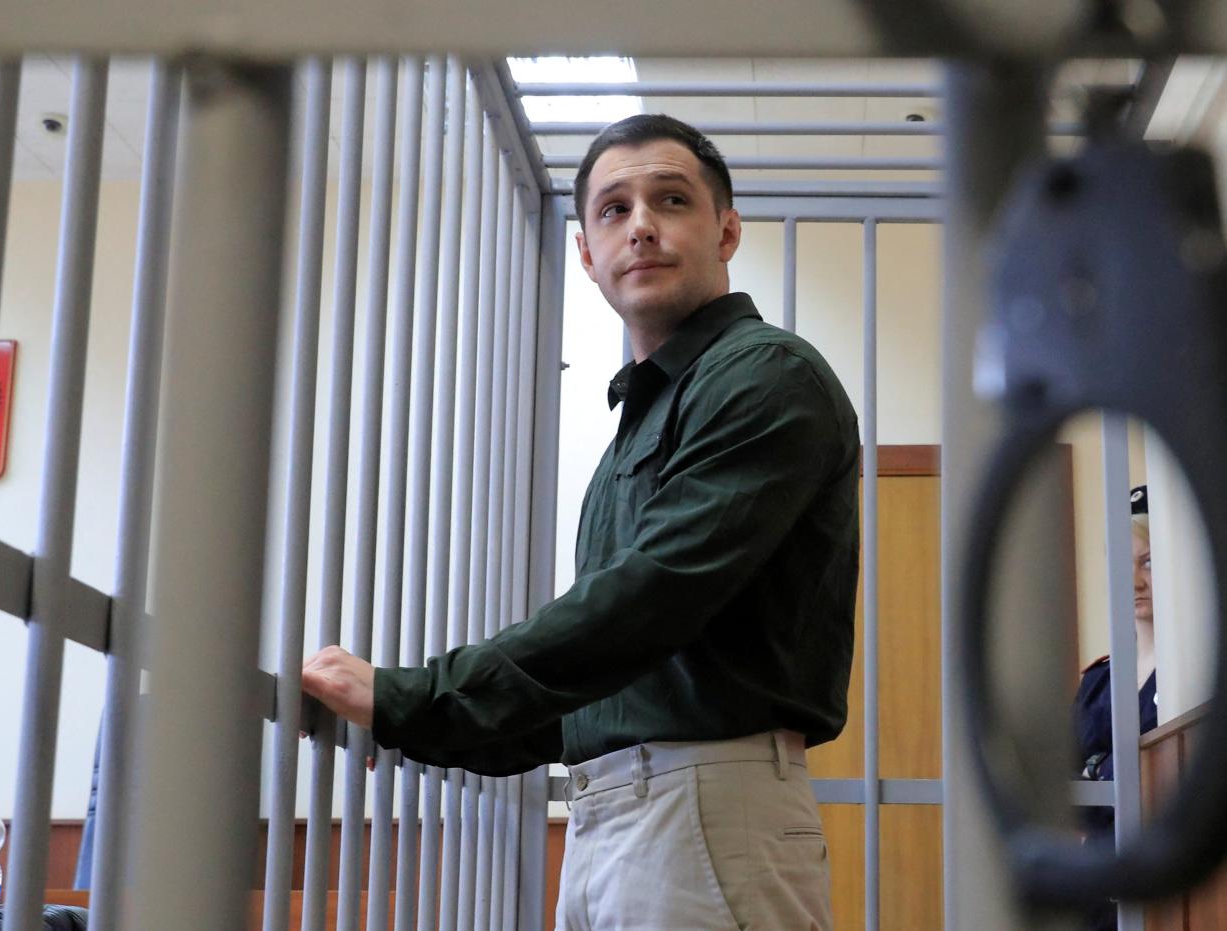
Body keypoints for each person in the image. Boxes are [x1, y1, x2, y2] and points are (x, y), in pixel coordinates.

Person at [302, 113, 860, 930]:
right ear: (586, 253)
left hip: (701, 807)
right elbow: (600, 685)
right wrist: (407, 717)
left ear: (727, 230)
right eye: (612, 209)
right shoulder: (646, 414)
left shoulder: (763, 375)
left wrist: (415, 696)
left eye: (671, 199)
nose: (641, 225)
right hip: (623, 811)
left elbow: (644, 603)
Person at [1072, 484, 1159, 931]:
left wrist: (1099, 772)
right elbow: (1067, 791)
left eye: (1149, 561)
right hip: (1097, 891)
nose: (1136, 580)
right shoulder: (1098, 681)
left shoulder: (1195, 679)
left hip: (1165, 882)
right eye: (1123, 564)